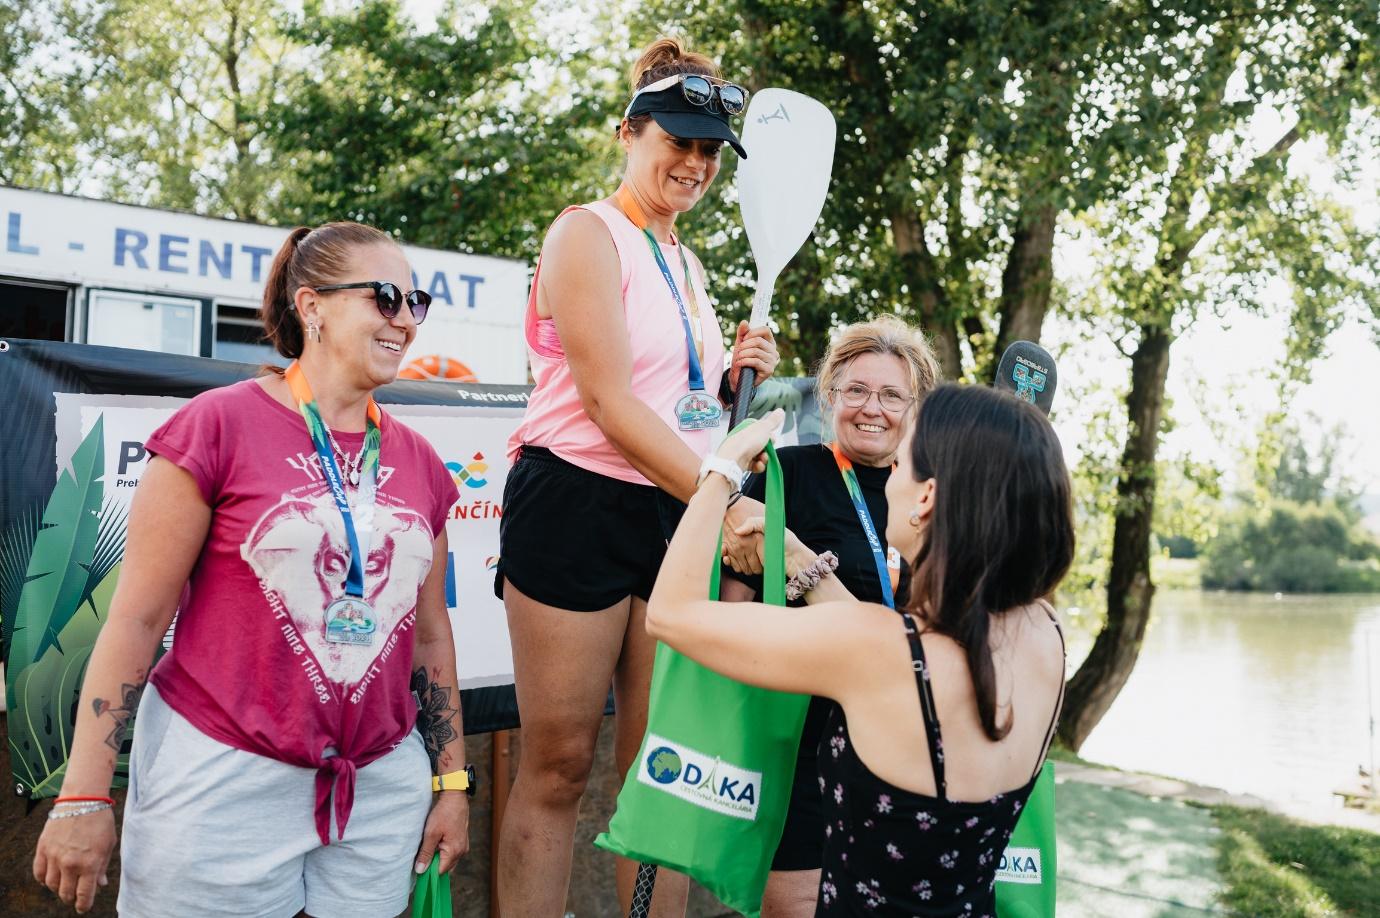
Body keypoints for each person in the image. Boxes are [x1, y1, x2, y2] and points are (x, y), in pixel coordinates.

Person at [33, 222, 472, 917]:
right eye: (386, 297)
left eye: (417, 301)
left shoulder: (418, 459)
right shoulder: (214, 428)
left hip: (380, 789)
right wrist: (83, 795)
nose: (405, 320)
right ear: (313, 306)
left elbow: (431, 636)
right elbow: (137, 620)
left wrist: (450, 785)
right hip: (223, 780)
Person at [494, 37, 779, 917]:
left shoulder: (687, 263)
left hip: (670, 507)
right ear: (629, 131)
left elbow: (673, 405)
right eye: (677, 141)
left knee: (661, 764)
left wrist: (728, 379)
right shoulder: (586, 233)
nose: (693, 163)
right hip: (576, 502)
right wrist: (722, 495)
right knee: (558, 763)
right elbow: (612, 405)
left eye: (708, 151)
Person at [647, 384, 1074, 916]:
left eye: (902, 464)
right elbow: (883, 648)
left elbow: (670, 614)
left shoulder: (877, 651)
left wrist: (721, 472)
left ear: (927, 497)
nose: (890, 473)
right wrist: (799, 556)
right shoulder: (1047, 634)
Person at [720, 317, 940, 917]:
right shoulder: (785, 475)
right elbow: (733, 613)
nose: (874, 408)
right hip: (803, 750)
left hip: (907, 752)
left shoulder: (937, 494)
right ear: (829, 397)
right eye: (857, 391)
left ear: (915, 407)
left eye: (893, 395)